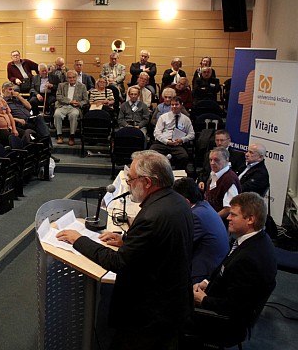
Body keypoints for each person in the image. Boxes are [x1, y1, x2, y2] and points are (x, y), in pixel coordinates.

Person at [56, 150, 194, 350]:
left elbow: (118, 263)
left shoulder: (151, 216)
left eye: (131, 179)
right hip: (173, 303)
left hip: (149, 314)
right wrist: (127, 240)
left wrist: (79, 240)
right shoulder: (178, 201)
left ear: (147, 182)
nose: (128, 184)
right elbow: (160, 245)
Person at [189, 192, 276, 346]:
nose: (228, 218)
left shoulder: (249, 260)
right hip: (217, 303)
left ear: (250, 219)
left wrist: (203, 299)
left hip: (222, 324)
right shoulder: (256, 240)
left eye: (233, 215)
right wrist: (206, 283)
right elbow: (227, 272)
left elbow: (235, 308)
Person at [172, 178, 229, 284]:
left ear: (186, 202)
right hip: (215, 262)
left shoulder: (195, 216)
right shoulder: (204, 205)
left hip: (204, 273)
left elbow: (179, 245)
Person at [150, 96, 195, 170]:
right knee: (151, 155)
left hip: (177, 145)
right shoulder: (163, 117)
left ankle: (177, 173)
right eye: (172, 105)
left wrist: (182, 139)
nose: (174, 107)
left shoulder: (186, 119)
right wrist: (167, 141)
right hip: (163, 143)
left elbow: (192, 134)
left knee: (184, 157)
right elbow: (157, 133)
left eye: (176, 104)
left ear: (181, 105)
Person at [204, 147, 241, 220]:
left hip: (219, 223)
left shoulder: (229, 180)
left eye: (216, 160)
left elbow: (228, 209)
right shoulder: (214, 174)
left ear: (227, 160)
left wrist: (211, 219)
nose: (212, 163)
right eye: (210, 160)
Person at [54, 70, 88, 146]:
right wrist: (70, 101)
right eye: (69, 78)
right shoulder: (61, 85)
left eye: (73, 77)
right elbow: (58, 96)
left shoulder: (82, 86)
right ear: (67, 78)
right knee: (57, 114)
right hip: (62, 106)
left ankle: (72, 136)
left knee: (74, 115)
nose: (72, 79)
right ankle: (59, 135)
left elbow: (86, 100)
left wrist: (79, 103)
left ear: (76, 77)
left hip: (75, 108)